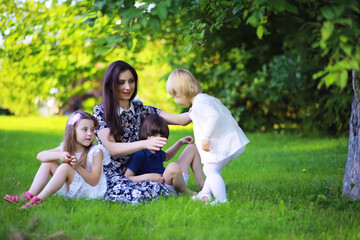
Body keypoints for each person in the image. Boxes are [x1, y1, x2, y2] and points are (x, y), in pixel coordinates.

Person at [93, 60, 204, 204]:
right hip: (121, 176)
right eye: (121, 82)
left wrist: (204, 104)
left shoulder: (142, 110)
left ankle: (205, 188)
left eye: (131, 81)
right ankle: (175, 190)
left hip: (147, 170)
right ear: (111, 85)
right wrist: (145, 144)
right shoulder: (101, 111)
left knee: (186, 153)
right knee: (140, 195)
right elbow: (113, 149)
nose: (128, 87)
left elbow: (181, 120)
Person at [166, 69, 250, 205]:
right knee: (212, 169)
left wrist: (206, 138)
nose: (174, 100)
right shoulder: (204, 100)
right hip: (233, 141)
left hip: (226, 143)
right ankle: (204, 193)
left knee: (210, 169)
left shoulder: (200, 103)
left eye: (174, 96)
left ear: (182, 91)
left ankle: (221, 201)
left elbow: (214, 116)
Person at [4, 111, 109, 209]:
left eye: (92, 129)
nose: (90, 133)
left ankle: (38, 200)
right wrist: (59, 155)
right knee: (48, 162)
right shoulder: (66, 148)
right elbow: (40, 156)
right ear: (72, 131)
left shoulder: (95, 151)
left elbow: (94, 181)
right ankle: (29, 195)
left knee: (65, 167)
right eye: (85, 129)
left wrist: (77, 167)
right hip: (71, 186)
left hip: (88, 190)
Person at [125, 114, 196, 195]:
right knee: (173, 166)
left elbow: (167, 156)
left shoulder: (157, 151)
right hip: (162, 188)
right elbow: (127, 178)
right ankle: (186, 193)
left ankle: (203, 186)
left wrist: (180, 143)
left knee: (192, 148)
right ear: (146, 134)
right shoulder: (139, 154)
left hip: (176, 183)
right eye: (155, 135)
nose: (159, 138)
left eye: (162, 136)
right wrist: (149, 177)